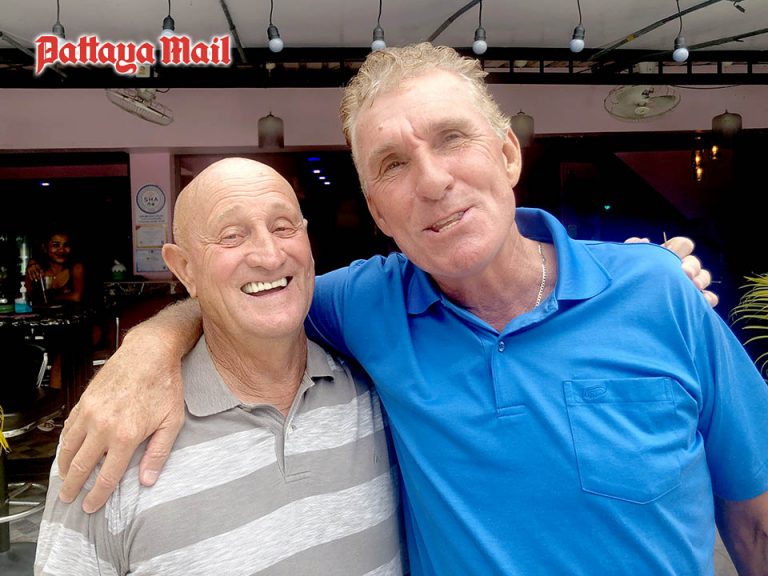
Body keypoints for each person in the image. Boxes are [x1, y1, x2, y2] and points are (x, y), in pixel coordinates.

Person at [55, 43, 768, 575]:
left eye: (452, 138)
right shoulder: (368, 306)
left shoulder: (658, 291)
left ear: (508, 154)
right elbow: (251, 293)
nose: (431, 181)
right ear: (377, 211)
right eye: (392, 164)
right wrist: (145, 350)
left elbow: (757, 520)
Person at [34, 158, 405, 575]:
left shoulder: (378, 396)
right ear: (184, 269)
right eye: (232, 235)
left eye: (284, 227)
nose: (269, 255)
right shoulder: (116, 433)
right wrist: (148, 343)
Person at [25, 229, 86, 305]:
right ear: (44, 248)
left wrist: (49, 296)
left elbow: (76, 297)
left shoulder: (77, 268)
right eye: (56, 245)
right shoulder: (35, 267)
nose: (61, 250)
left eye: (66, 245)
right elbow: (26, 297)